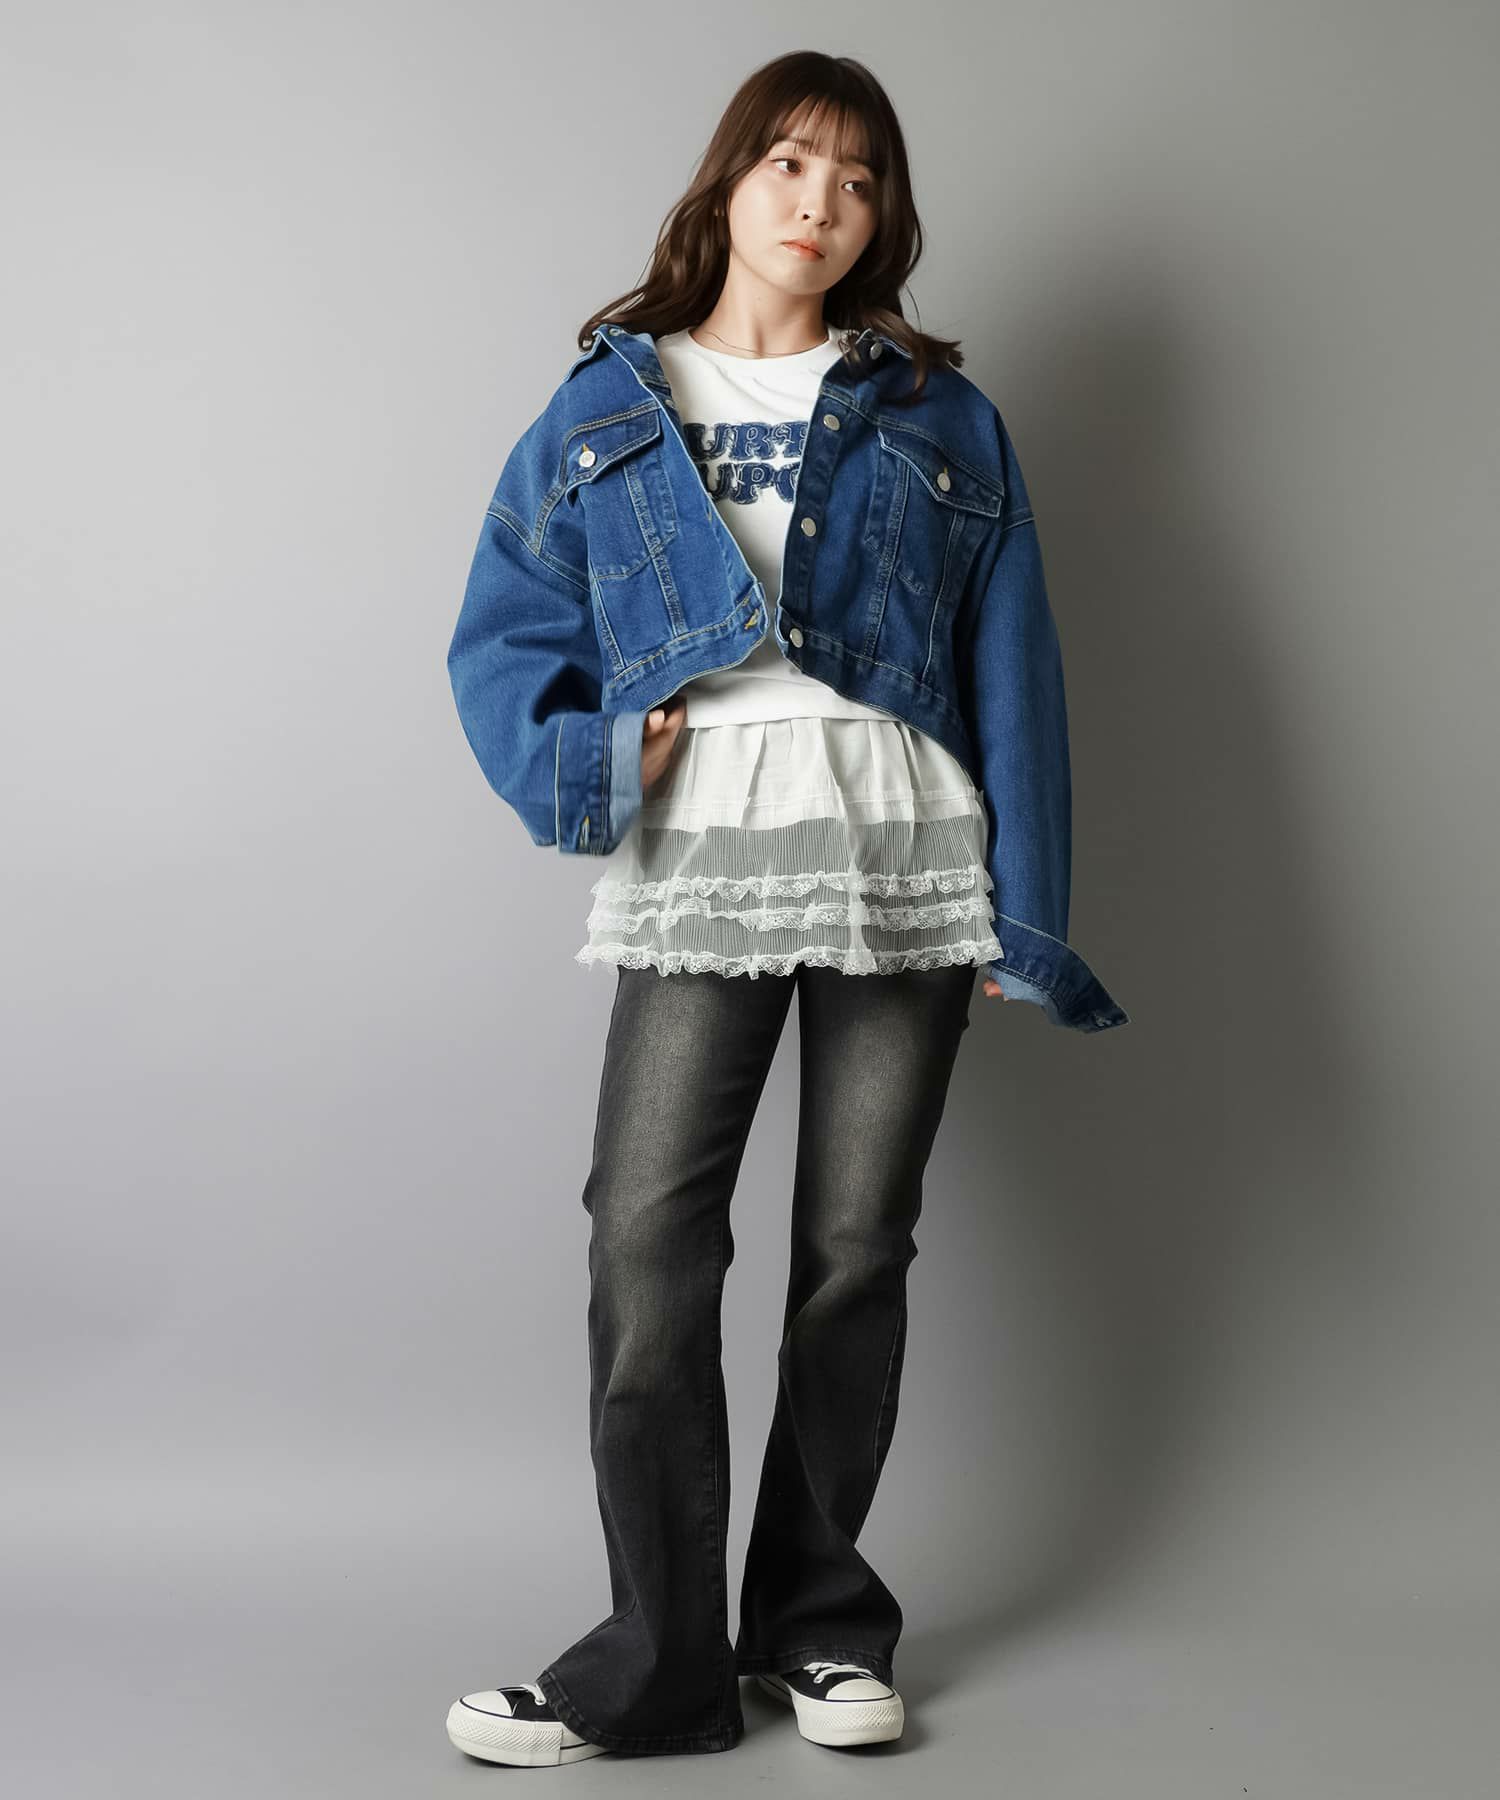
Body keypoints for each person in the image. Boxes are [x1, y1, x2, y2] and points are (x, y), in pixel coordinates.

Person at [443, 50, 1127, 1769]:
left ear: (883, 218)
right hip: (705, 851)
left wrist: (1025, 911)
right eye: (791, 163)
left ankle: (817, 1624)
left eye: (859, 179)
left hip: (902, 845)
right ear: (729, 182)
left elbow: (1015, 664)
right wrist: (603, 757)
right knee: (646, 1241)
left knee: (855, 1250)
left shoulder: (942, 414)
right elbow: (504, 633)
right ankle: (661, 1660)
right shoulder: (612, 401)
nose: (822, 203)